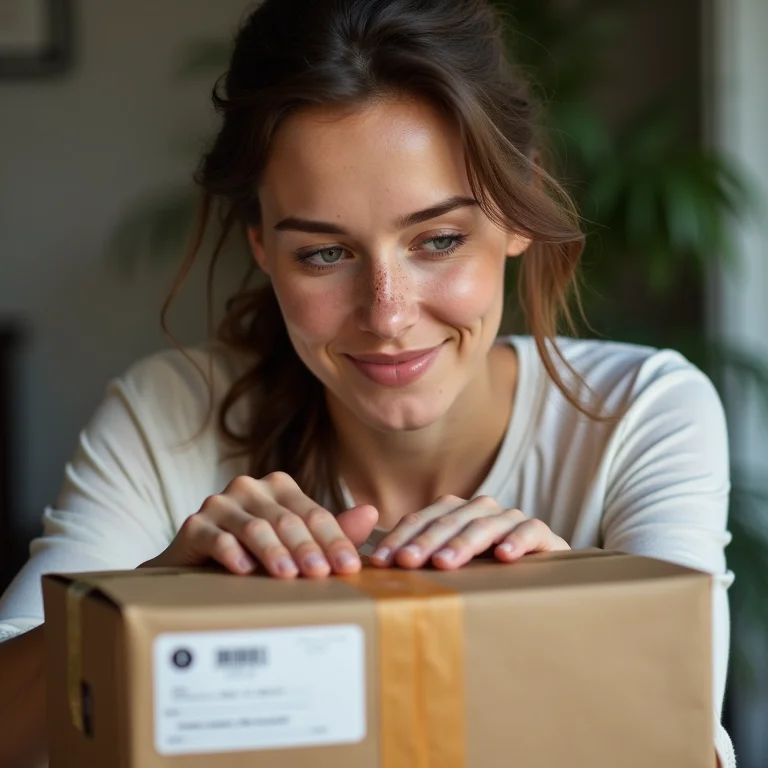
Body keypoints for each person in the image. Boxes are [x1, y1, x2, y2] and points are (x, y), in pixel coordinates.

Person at [0, 0, 733, 765]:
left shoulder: (640, 414)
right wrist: (150, 598)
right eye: (324, 254)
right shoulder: (171, 412)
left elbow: (689, 745)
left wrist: (561, 617)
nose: (387, 316)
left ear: (518, 210)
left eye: (439, 240)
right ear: (261, 243)